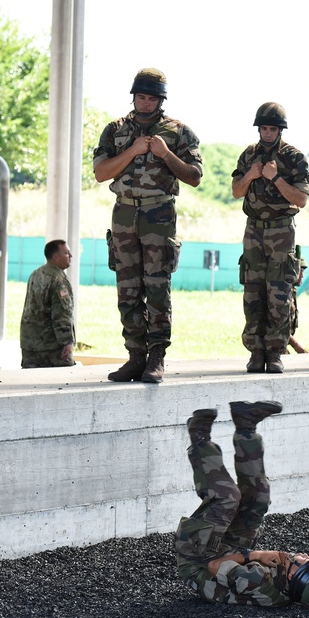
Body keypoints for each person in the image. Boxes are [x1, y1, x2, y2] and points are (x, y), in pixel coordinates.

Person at [94, 68, 202, 384]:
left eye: (151, 98)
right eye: (141, 97)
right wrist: (134, 149)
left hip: (159, 214)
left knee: (157, 287)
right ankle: (135, 356)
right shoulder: (115, 130)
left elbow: (194, 176)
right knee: (127, 288)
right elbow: (101, 173)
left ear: (160, 100)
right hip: (124, 214)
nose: (145, 103)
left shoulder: (178, 131)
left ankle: (156, 357)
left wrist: (165, 153)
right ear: (134, 97)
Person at [175, 401, 309, 607]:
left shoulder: (258, 584)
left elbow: (215, 566)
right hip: (229, 550)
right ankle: (246, 426)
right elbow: (272, 559)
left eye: (306, 562)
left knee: (228, 497)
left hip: (199, 559)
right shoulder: (288, 579)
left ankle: (199, 437)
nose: (304, 555)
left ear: (296, 575)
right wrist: (276, 556)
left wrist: (255, 554)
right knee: (258, 497)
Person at [231, 102, 309, 374]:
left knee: (279, 292)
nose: (267, 133)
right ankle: (256, 351)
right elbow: (236, 191)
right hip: (253, 229)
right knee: (253, 291)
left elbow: (301, 199)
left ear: (280, 130)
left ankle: (276, 351)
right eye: (263, 128)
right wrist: (251, 174)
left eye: (272, 129)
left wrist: (275, 178)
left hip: (281, 229)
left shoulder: (294, 157)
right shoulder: (248, 156)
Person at [19, 239, 75, 369]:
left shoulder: (35, 274)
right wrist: (67, 342)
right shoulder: (59, 280)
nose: (70, 256)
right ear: (56, 257)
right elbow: (62, 313)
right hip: (51, 347)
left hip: (30, 345)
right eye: (66, 253)